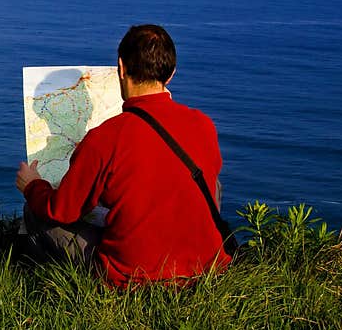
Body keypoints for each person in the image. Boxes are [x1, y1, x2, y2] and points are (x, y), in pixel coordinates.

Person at [15, 24, 232, 287]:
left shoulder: (105, 138)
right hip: (205, 269)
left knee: (36, 213)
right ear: (171, 74)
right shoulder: (203, 124)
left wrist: (33, 186)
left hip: (133, 278)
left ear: (121, 67)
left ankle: (38, 282)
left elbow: (62, 211)